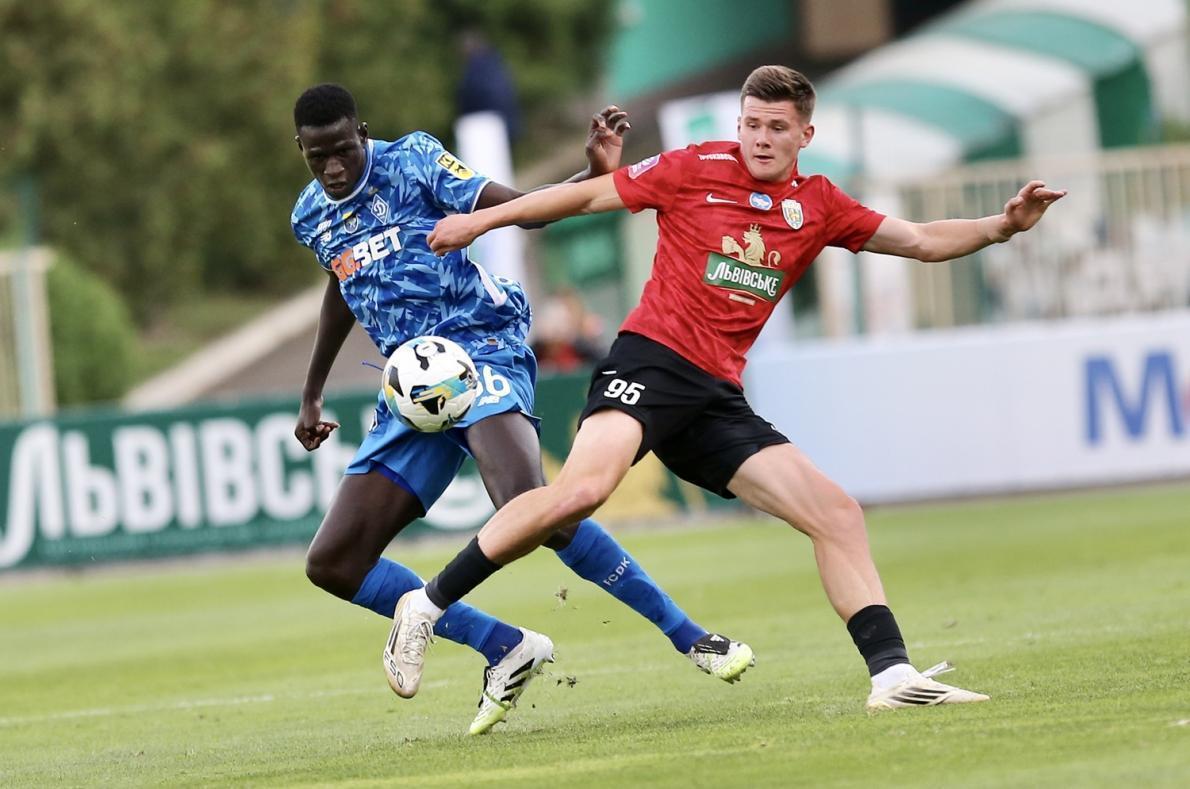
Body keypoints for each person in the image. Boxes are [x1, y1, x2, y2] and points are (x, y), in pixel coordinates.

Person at [392, 65, 1067, 711]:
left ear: (805, 133)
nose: (761, 139)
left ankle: (892, 676)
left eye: (777, 127)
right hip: (650, 364)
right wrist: (481, 221)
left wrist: (1002, 226)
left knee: (836, 514)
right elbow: (586, 196)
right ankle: (427, 602)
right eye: (751, 124)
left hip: (714, 396)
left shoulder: (818, 203)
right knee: (580, 493)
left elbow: (918, 238)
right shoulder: (693, 167)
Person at [288, 84, 754, 736]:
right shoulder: (310, 214)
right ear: (301, 150)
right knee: (334, 562)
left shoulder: (414, 160)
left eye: (344, 150)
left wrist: (590, 177)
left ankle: (690, 635)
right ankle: (504, 645)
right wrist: (311, 390)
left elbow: (518, 210)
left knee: (536, 509)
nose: (334, 167)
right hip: (412, 388)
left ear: (361, 132)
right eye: (319, 157)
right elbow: (342, 284)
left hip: (480, 347)